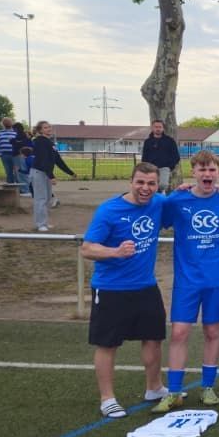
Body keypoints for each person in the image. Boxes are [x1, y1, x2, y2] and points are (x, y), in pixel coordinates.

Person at [79, 163, 169, 419]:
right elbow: (87, 248)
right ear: (131, 182)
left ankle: (154, 387)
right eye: (140, 182)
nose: (145, 188)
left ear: (157, 185)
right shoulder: (109, 210)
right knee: (107, 344)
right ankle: (107, 399)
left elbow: (184, 201)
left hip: (146, 286)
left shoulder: (158, 203)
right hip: (111, 289)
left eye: (151, 183)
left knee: (153, 338)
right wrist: (115, 252)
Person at [154, 150, 219, 412]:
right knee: (179, 332)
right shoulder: (177, 200)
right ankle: (174, 391)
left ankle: (208, 387)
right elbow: (155, 215)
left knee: (212, 332)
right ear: (193, 172)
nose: (207, 174)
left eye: (212, 169)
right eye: (202, 170)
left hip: (217, 279)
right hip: (187, 279)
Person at [28, 120, 76, 231]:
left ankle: (44, 222)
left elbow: (57, 160)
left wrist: (70, 172)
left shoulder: (49, 142)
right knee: (41, 199)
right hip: (39, 172)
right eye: (45, 127)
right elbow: (44, 160)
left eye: (49, 127)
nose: (48, 129)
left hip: (45, 173)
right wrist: (51, 176)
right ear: (40, 130)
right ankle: (40, 224)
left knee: (48, 198)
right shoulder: (39, 141)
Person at [141, 119, 181, 193]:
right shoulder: (148, 142)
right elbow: (144, 157)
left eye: (160, 127)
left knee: (163, 185)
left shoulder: (170, 141)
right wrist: (145, 167)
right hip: (150, 168)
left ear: (163, 128)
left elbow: (176, 156)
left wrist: (169, 166)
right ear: (152, 128)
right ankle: (154, 197)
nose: (158, 129)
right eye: (156, 127)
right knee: (150, 185)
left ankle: (160, 195)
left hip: (164, 168)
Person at [0, 117, 20, 188]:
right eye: (5, 122)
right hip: (4, 154)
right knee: (8, 171)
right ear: (3, 124)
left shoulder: (16, 132)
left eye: (8, 122)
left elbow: (19, 143)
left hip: (15, 154)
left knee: (17, 171)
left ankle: (19, 187)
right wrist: (0, 153)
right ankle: (10, 186)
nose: (7, 123)